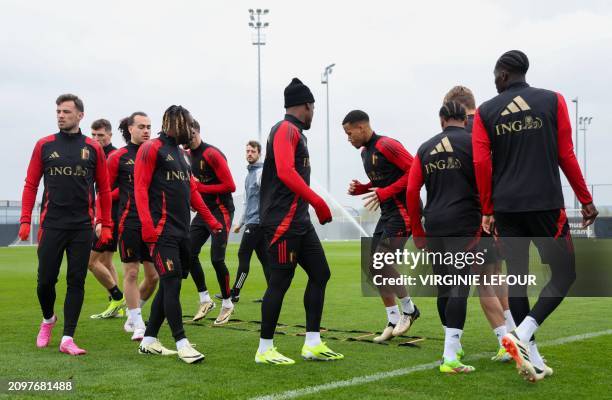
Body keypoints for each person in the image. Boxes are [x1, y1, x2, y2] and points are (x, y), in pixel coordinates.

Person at [472, 50, 598, 382]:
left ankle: (531, 353)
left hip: (506, 208)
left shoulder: (486, 111)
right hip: (545, 204)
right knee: (565, 274)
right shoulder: (552, 101)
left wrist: (487, 208)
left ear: (502, 75)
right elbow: (565, 154)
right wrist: (585, 199)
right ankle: (525, 337)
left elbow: (481, 163)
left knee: (517, 278)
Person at [256, 78, 343, 365]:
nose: (314, 113)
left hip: (299, 221)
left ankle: (312, 343)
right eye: (313, 108)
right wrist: (318, 201)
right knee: (280, 281)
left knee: (321, 274)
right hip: (282, 221)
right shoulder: (284, 129)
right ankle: (264, 348)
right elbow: (284, 171)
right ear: (306, 105)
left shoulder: (297, 133)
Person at [19, 94, 113, 355]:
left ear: (80, 115)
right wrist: (26, 219)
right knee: (45, 281)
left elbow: (104, 190)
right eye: (58, 111)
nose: (61, 115)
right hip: (52, 225)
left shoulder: (93, 148)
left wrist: (105, 223)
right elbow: (31, 184)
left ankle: (68, 337)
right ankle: (48, 319)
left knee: (76, 280)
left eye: (66, 112)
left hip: (82, 227)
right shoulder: (44, 145)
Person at [135, 105, 223, 364]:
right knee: (171, 282)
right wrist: (147, 227)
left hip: (182, 231)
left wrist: (211, 220)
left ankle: (149, 340)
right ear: (172, 123)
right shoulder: (151, 148)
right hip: (161, 232)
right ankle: (182, 342)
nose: (191, 129)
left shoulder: (183, 155)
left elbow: (192, 191)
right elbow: (140, 188)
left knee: (169, 284)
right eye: (187, 124)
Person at [407, 101, 478, 373]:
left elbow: (412, 191)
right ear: (464, 119)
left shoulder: (425, 148)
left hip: (434, 224)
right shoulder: (473, 143)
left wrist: (417, 229)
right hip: (465, 225)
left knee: (445, 288)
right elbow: (487, 179)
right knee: (460, 287)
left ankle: (453, 346)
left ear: (441, 120)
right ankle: (450, 357)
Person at [443, 86, 514, 362]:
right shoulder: (492, 120)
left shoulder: (465, 131)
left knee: (484, 281)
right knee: (497, 276)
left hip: (475, 217)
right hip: (499, 211)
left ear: (454, 108)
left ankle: (506, 343)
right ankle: (516, 334)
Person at [342, 110, 420, 343]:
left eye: (349, 133)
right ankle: (393, 318)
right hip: (388, 214)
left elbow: (415, 170)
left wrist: (385, 192)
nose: (348, 138)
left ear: (362, 127)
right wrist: (363, 188)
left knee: (382, 262)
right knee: (372, 267)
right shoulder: (365, 152)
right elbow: (381, 181)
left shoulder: (387, 145)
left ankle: (409, 310)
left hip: (403, 212)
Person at [105, 112, 159, 340]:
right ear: (130, 129)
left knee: (154, 277)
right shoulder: (118, 157)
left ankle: (131, 314)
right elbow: (105, 193)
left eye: (149, 127)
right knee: (132, 272)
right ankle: (138, 323)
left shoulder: (156, 153)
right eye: (141, 126)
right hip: (129, 222)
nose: (146, 130)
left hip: (153, 222)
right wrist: (103, 222)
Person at [187, 120, 237, 324]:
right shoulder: (187, 154)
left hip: (222, 211)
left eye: (189, 134)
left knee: (217, 259)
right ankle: (205, 299)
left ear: (197, 131)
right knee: (188, 252)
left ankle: (227, 303)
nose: (186, 139)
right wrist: (193, 198)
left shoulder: (212, 154)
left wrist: (200, 189)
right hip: (203, 211)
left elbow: (230, 186)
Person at [88, 119, 126, 319]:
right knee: (106, 260)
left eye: (100, 135)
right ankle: (116, 306)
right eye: (93, 134)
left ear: (110, 135)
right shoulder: (94, 154)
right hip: (106, 215)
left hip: (111, 217)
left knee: (91, 262)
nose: (96, 139)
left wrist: (100, 218)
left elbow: (122, 189)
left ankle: (117, 296)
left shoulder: (116, 155)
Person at [228, 140, 270, 303]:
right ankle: (271, 294)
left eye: (253, 151)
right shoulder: (249, 175)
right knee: (265, 259)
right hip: (253, 223)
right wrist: (240, 223)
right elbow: (247, 203)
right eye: (247, 151)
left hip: (257, 224)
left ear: (259, 153)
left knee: (243, 255)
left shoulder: (260, 173)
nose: (249, 154)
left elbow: (268, 196)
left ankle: (235, 292)